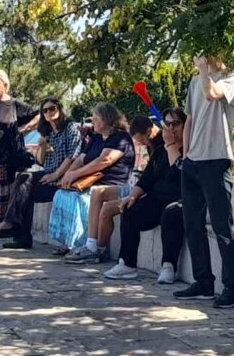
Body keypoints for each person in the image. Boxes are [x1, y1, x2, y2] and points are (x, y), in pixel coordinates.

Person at [177, 55, 234, 309]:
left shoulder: (230, 77)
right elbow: (190, 119)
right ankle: (203, 281)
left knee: (222, 226)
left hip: (216, 159)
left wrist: (204, 70)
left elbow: (211, 94)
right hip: (193, 161)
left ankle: (232, 288)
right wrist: (186, 156)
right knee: (192, 224)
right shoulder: (195, 82)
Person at [104, 108, 187, 283]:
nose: (171, 128)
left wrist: (171, 145)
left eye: (176, 124)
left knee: (170, 214)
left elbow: (181, 174)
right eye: (168, 124)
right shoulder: (159, 151)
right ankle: (126, 263)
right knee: (129, 209)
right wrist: (132, 196)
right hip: (157, 198)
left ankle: (168, 265)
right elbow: (146, 180)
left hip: (179, 200)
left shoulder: (190, 148)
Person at [67, 115, 160, 264]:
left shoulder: (159, 144)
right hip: (139, 188)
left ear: (150, 131)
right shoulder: (150, 144)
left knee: (112, 208)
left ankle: (103, 252)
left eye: (143, 140)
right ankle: (93, 247)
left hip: (143, 191)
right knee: (99, 195)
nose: (143, 144)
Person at [54, 103, 135, 263]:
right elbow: (81, 158)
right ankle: (71, 243)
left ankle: (91, 246)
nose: (93, 123)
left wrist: (76, 173)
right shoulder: (96, 138)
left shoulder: (120, 138)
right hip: (90, 183)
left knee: (95, 193)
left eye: (96, 119)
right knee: (61, 194)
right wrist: (69, 174)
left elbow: (104, 160)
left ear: (107, 119)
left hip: (115, 185)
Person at [1, 97, 81, 249]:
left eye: (52, 109)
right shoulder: (48, 133)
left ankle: (14, 226)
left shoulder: (70, 128)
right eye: (45, 110)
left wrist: (56, 175)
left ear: (59, 109)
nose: (49, 112)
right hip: (47, 172)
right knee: (23, 179)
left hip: (61, 176)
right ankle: (17, 230)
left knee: (26, 189)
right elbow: (40, 161)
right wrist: (42, 146)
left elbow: (72, 156)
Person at [0, 70, 39, 229]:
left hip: (8, 155)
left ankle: (6, 223)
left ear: (5, 85)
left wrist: (28, 126)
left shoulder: (15, 104)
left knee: (7, 188)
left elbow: (37, 114)